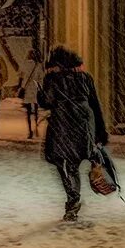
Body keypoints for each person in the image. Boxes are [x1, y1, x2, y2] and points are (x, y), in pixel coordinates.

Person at [37, 46, 108, 222]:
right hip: (84, 121)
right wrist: (101, 130)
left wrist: (40, 92)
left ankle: (73, 198)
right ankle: (75, 194)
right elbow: (95, 104)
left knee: (65, 162)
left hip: (63, 121)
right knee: (76, 158)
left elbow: (46, 102)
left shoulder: (52, 79)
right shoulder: (85, 78)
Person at [19, 48, 45, 139]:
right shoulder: (38, 65)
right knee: (36, 110)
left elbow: (21, 76)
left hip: (26, 89)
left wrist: (21, 86)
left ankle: (30, 131)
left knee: (28, 112)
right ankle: (36, 127)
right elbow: (41, 78)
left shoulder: (24, 64)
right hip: (35, 89)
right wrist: (41, 87)